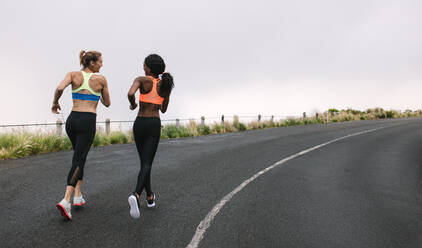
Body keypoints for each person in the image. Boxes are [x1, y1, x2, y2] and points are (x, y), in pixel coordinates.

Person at [52, 50, 111, 220]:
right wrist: (97, 92)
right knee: (79, 159)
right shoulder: (101, 79)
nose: (101, 64)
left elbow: (59, 88)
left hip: (72, 120)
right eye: (100, 61)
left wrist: (55, 103)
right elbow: (107, 103)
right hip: (87, 121)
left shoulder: (72, 74)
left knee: (79, 157)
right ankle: (66, 200)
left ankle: (78, 195)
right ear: (92, 63)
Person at [127, 54, 174, 219]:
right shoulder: (165, 85)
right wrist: (164, 94)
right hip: (153, 124)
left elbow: (130, 93)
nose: (143, 67)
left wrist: (133, 104)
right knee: (146, 163)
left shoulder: (141, 80)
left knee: (144, 163)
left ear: (148, 67)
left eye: (144, 65)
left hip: (139, 123)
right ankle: (136, 195)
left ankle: (149, 197)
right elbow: (164, 109)